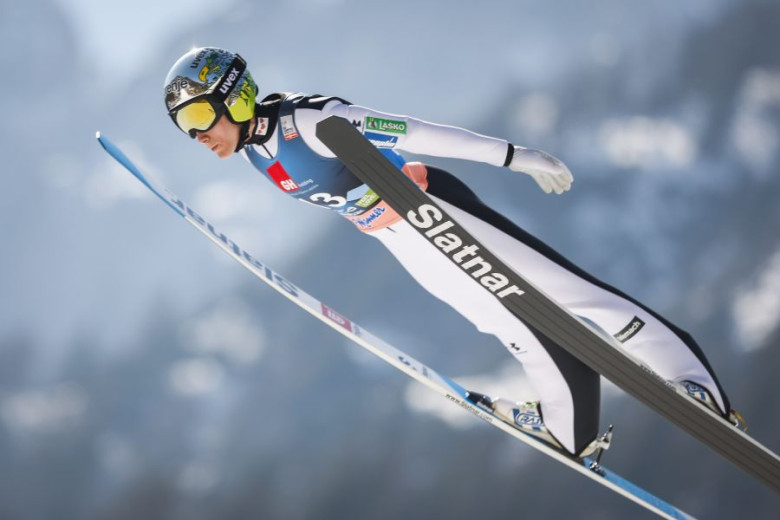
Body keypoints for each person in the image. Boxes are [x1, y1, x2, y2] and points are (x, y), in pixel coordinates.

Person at [163, 47, 745, 457]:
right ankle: (572, 427)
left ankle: (694, 383)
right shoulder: (252, 154)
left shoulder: (311, 121)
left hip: (433, 205)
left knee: (569, 293)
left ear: (234, 97)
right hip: (399, 238)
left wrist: (514, 156)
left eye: (197, 116)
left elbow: (414, 132)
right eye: (183, 127)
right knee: (505, 324)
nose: (197, 136)